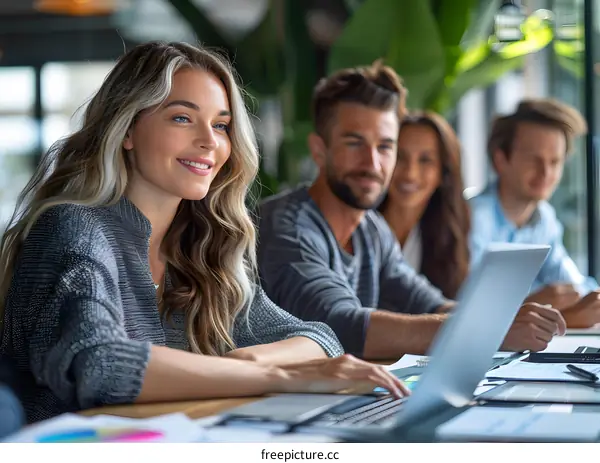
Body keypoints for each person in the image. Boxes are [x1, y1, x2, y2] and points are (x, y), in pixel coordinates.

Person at [0, 42, 408, 424]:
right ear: (127, 129)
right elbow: (102, 365)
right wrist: (278, 376)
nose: (208, 142)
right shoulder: (74, 226)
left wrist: (250, 364)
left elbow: (317, 338)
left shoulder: (200, 242)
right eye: (182, 118)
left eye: (221, 125)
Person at [257, 61, 566, 359]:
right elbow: (340, 327)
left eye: (385, 146)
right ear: (319, 150)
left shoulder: (372, 230)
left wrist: (512, 319)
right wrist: (490, 330)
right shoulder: (288, 229)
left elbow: (431, 304)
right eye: (354, 143)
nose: (373, 163)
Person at [469, 98, 600, 328]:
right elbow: (468, 312)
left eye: (555, 161)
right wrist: (543, 305)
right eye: (534, 160)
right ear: (500, 159)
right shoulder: (472, 219)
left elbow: (573, 285)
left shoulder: (544, 218)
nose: (546, 173)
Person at [378, 111, 470, 299]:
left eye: (425, 160)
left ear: (443, 173)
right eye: (400, 157)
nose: (410, 173)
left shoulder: (451, 236)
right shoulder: (357, 228)